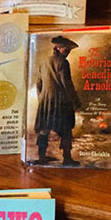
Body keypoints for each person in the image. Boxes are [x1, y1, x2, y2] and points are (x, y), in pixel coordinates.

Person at [32, 35, 83, 165]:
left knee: (44, 130)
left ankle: (42, 157)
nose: (68, 52)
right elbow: (67, 84)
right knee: (65, 130)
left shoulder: (44, 62)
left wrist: (42, 99)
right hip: (61, 102)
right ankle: (67, 158)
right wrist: (75, 100)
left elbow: (38, 84)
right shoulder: (63, 62)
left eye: (69, 50)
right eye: (66, 49)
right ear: (58, 48)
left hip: (45, 101)